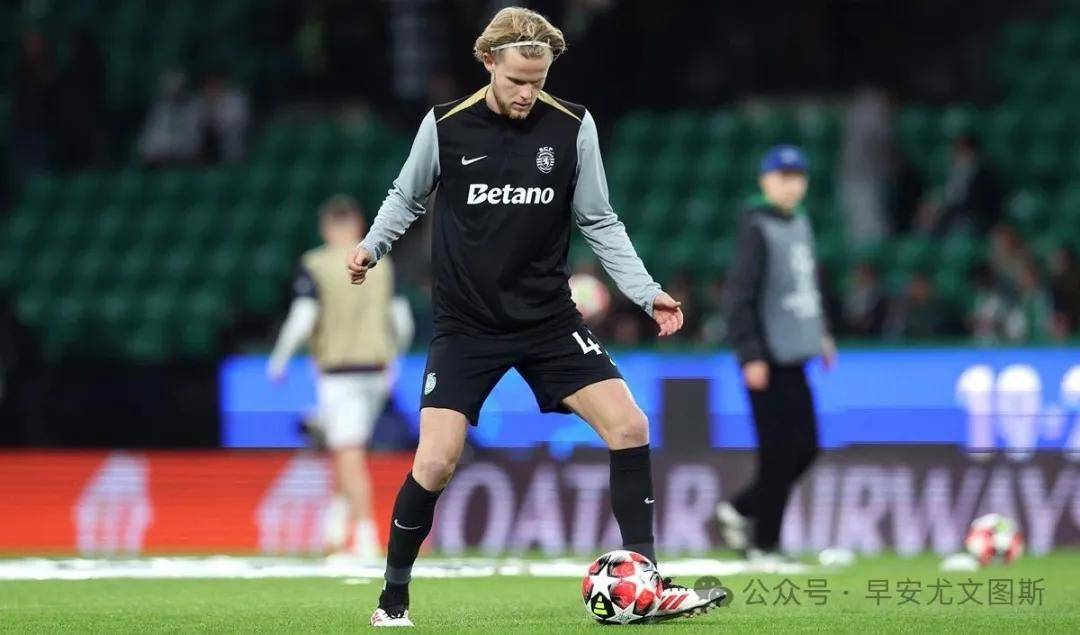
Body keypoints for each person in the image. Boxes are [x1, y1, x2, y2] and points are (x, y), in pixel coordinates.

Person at [348, 7, 723, 627]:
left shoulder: (572, 126)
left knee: (629, 426)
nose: (528, 93)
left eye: (538, 80)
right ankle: (393, 598)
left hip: (548, 319)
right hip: (466, 325)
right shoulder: (446, 125)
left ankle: (648, 584)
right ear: (488, 62)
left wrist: (645, 291)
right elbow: (406, 196)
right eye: (517, 80)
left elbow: (599, 219)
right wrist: (372, 246)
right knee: (435, 462)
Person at [268, 195, 414, 559]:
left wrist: (280, 358)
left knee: (349, 453)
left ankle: (365, 535)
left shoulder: (315, 264)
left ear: (325, 228)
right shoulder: (382, 262)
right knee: (344, 446)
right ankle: (334, 529)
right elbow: (403, 323)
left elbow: (303, 318)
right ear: (359, 225)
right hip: (376, 372)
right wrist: (393, 358)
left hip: (339, 374)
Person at [716, 145, 835, 562]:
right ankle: (765, 545)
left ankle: (739, 510)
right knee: (778, 453)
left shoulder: (800, 222)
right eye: (783, 177)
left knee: (806, 447)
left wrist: (821, 333)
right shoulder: (757, 227)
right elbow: (739, 297)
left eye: (797, 177)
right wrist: (750, 354)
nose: (791, 185)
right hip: (767, 357)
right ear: (765, 181)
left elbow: (804, 286)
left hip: (795, 356)